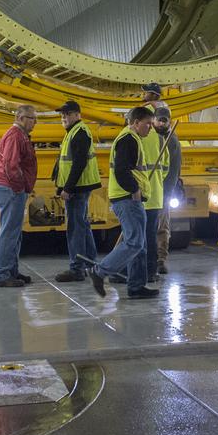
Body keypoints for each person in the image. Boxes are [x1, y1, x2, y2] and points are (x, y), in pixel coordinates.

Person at [90, 106, 162, 299]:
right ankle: (100, 271)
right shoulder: (128, 140)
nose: (150, 127)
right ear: (136, 122)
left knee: (140, 244)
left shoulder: (132, 138)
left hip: (129, 197)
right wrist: (135, 190)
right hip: (127, 197)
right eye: (147, 124)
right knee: (134, 242)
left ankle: (136, 287)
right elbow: (122, 170)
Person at [52, 101, 100, 283]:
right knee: (82, 225)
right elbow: (67, 163)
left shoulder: (79, 132)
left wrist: (68, 188)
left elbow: (79, 164)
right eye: (62, 114)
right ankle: (90, 264)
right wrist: (62, 186)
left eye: (67, 113)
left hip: (77, 189)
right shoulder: (74, 131)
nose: (63, 117)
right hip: (78, 187)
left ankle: (77, 269)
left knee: (75, 228)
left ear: (77, 115)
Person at [0, 105, 38, 288]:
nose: (35, 122)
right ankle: (2, 274)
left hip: (11, 188)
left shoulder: (20, 135)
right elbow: (11, 165)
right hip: (10, 188)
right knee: (9, 232)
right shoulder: (15, 135)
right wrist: (20, 188)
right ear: (20, 117)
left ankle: (11, 270)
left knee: (14, 232)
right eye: (32, 118)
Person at [152, 104, 181, 275]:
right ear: (154, 120)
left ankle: (160, 260)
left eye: (165, 120)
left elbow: (174, 168)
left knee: (162, 227)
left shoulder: (171, 140)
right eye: (159, 120)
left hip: (163, 192)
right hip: (153, 191)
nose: (162, 123)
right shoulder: (153, 138)